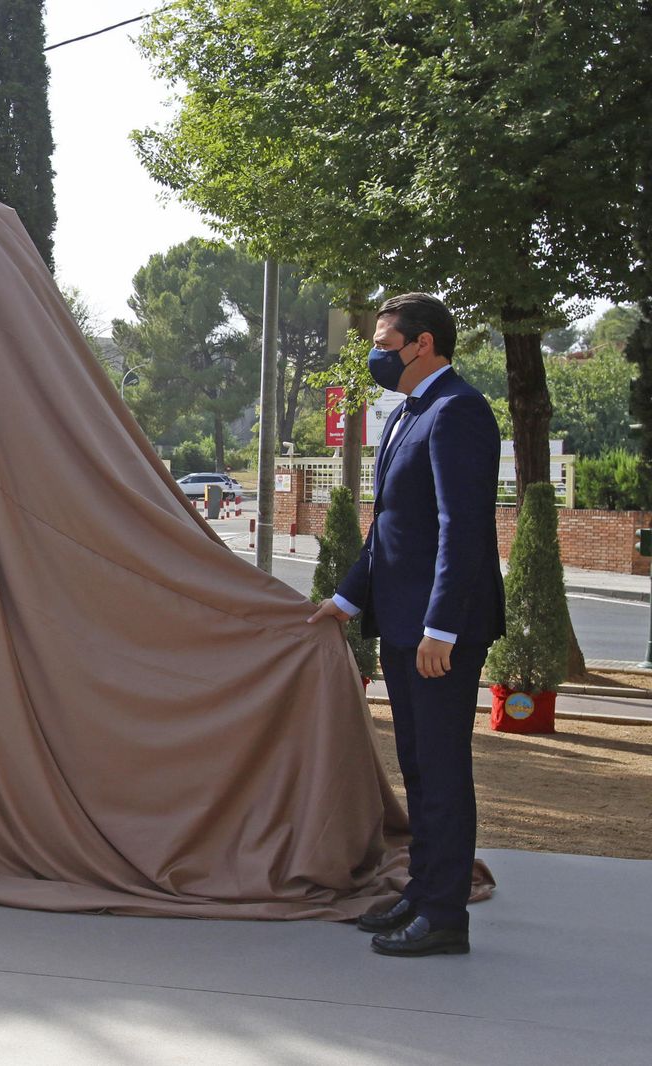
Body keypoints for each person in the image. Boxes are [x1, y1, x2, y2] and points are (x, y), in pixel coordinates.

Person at [309, 292, 503, 957]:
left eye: (385, 342)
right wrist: (348, 598)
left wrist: (442, 628)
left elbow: (462, 529)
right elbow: (390, 526)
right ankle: (421, 893)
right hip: (399, 623)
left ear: (423, 344)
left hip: (437, 633)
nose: (376, 353)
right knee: (419, 766)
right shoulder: (406, 414)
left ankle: (446, 915)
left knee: (444, 768)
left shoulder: (459, 412)